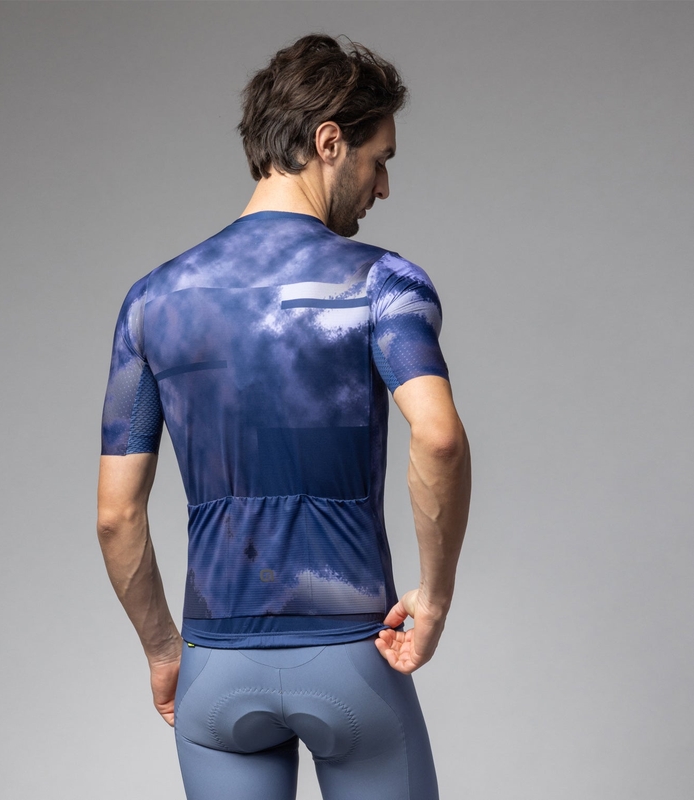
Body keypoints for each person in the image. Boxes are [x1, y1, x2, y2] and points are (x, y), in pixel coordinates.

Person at [97, 33, 471, 800]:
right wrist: (433, 601)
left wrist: (164, 650)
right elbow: (437, 436)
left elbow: (116, 515)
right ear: (329, 143)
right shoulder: (382, 284)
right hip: (350, 652)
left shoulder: (153, 301)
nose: (383, 186)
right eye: (380, 159)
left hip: (215, 665)